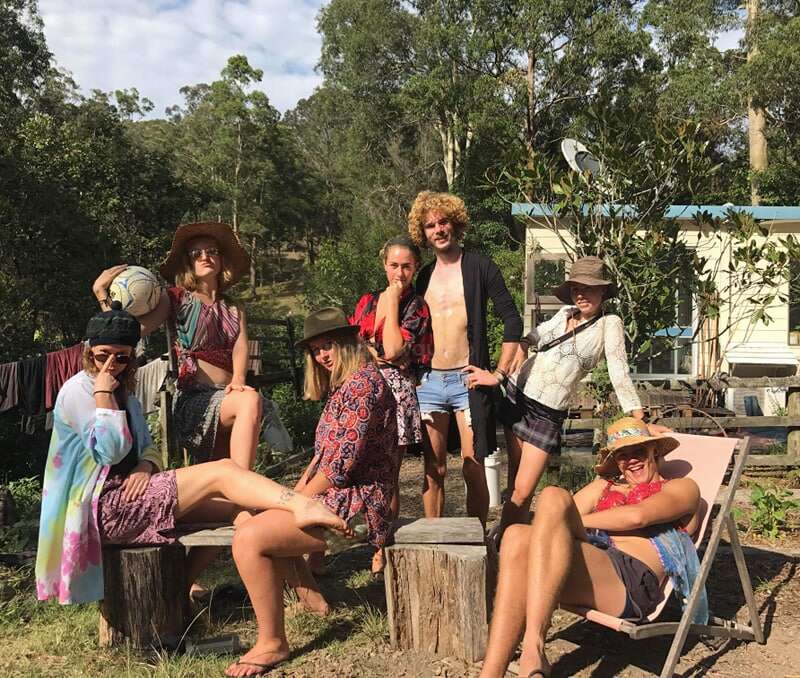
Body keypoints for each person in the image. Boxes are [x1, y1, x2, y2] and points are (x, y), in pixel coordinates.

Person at [35, 303, 350, 611]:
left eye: (121, 357)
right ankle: (301, 504)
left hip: (131, 497)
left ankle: (305, 598)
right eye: (102, 355)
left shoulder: (125, 394)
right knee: (222, 471)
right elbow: (109, 451)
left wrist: (146, 464)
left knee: (241, 509)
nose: (111, 365)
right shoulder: (80, 391)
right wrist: (103, 395)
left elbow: (148, 446)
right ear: (89, 352)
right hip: (100, 510)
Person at [224, 307, 398, 676]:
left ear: (348, 342)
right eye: (315, 350)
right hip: (336, 496)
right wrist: (288, 498)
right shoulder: (345, 386)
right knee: (251, 517)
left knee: (250, 539)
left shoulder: (363, 386)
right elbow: (321, 459)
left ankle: (272, 642)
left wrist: (294, 502)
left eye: (328, 345)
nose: (321, 356)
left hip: (360, 508)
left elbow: (338, 469)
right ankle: (312, 600)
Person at [480, 418, 704, 678]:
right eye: (623, 455)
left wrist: (565, 521)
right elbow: (552, 521)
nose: (631, 460)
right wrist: (558, 521)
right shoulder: (604, 486)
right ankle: (492, 673)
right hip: (587, 562)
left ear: (655, 451)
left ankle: (533, 647)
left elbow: (637, 517)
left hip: (630, 580)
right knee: (516, 535)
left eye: (639, 451)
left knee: (553, 498)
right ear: (615, 461)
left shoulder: (682, 486)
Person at [467, 256, 664, 542]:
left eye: (588, 288)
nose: (581, 295)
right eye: (575, 289)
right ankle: (507, 544)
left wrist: (638, 417)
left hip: (547, 415)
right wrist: (523, 344)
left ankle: (503, 545)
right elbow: (536, 334)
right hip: (518, 396)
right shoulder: (564, 313)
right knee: (515, 486)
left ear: (603, 291)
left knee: (524, 490)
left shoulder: (609, 324)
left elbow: (618, 369)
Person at [92, 221, 260, 470]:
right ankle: (246, 486)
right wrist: (102, 295)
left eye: (212, 251)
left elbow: (240, 346)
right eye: (196, 253)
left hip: (228, 395)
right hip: (195, 398)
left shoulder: (235, 307)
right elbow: (129, 332)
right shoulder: (175, 298)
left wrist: (238, 379)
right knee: (250, 401)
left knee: (223, 467)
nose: (205, 257)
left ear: (222, 259)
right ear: (188, 263)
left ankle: (238, 493)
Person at [408, 191, 522, 526]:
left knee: (473, 466)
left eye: (443, 222)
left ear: (455, 223)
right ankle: (434, 540)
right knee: (434, 469)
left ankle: (478, 540)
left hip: (468, 381)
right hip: (429, 382)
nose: (438, 230)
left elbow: (512, 319)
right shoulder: (423, 276)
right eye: (430, 225)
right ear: (423, 232)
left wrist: (498, 374)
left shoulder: (480, 266)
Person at [350, 235, 433, 575]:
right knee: (350, 469)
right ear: (384, 265)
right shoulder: (366, 301)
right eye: (394, 265)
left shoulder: (417, 306)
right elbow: (353, 345)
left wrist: (393, 302)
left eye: (407, 266)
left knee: (388, 475)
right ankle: (325, 546)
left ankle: (381, 547)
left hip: (397, 392)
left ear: (416, 268)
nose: (400, 273)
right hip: (362, 389)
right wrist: (373, 350)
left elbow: (395, 350)